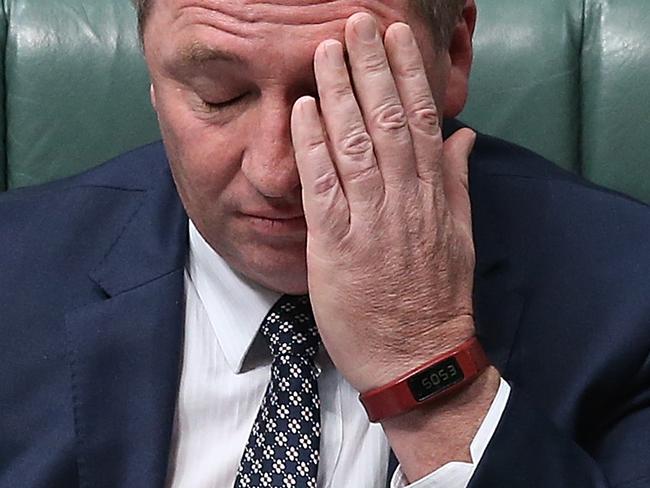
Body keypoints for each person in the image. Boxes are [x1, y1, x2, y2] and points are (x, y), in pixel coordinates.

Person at [1, 0, 649, 487]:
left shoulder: (630, 297)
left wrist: (429, 374)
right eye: (219, 96)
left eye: (338, 93)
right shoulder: (15, 270)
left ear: (452, 54)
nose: (278, 172)